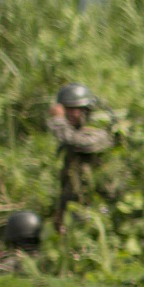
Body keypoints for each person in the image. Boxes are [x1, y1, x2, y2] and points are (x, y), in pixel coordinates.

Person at [48, 83, 114, 232]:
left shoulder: (98, 131)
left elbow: (81, 143)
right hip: (79, 208)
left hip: (101, 206)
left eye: (74, 110)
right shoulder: (73, 133)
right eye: (66, 110)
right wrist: (61, 211)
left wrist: (58, 121)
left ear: (85, 110)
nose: (69, 115)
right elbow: (69, 180)